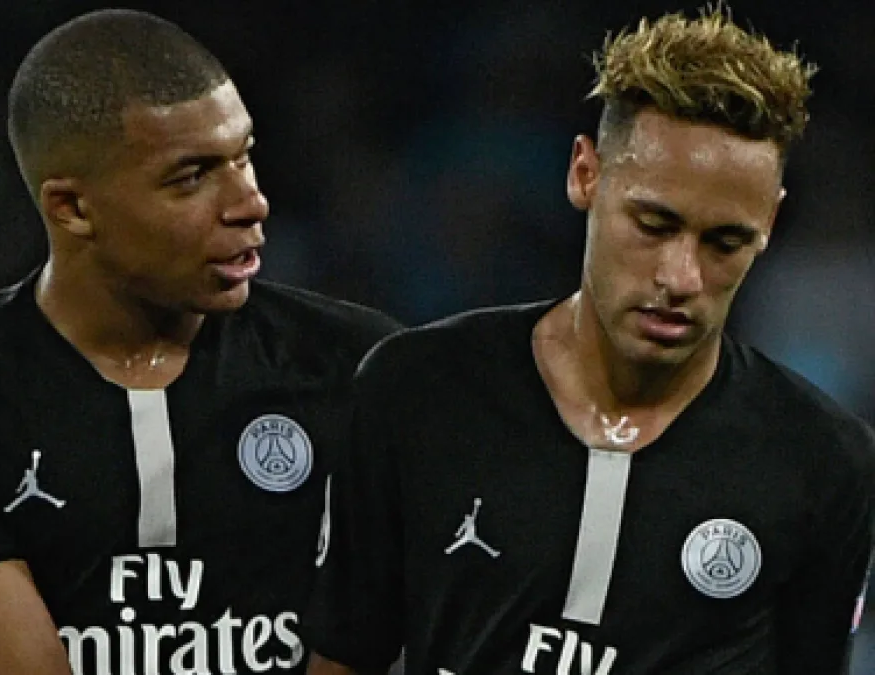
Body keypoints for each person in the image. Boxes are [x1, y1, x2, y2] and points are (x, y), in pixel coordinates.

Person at [304, 6, 875, 675]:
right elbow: (344, 658)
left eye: (725, 242)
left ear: (770, 222)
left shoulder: (823, 460)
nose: (680, 278)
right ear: (585, 174)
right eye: (653, 224)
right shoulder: (418, 388)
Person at [0, 8, 401, 675]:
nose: (250, 201)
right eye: (192, 175)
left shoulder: (361, 367)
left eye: (244, 156)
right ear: (73, 208)